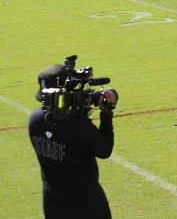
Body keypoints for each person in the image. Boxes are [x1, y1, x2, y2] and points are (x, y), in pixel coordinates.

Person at [28, 62, 117, 219]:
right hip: (87, 203)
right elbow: (104, 150)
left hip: (52, 202)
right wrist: (106, 113)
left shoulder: (34, 120)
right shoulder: (78, 125)